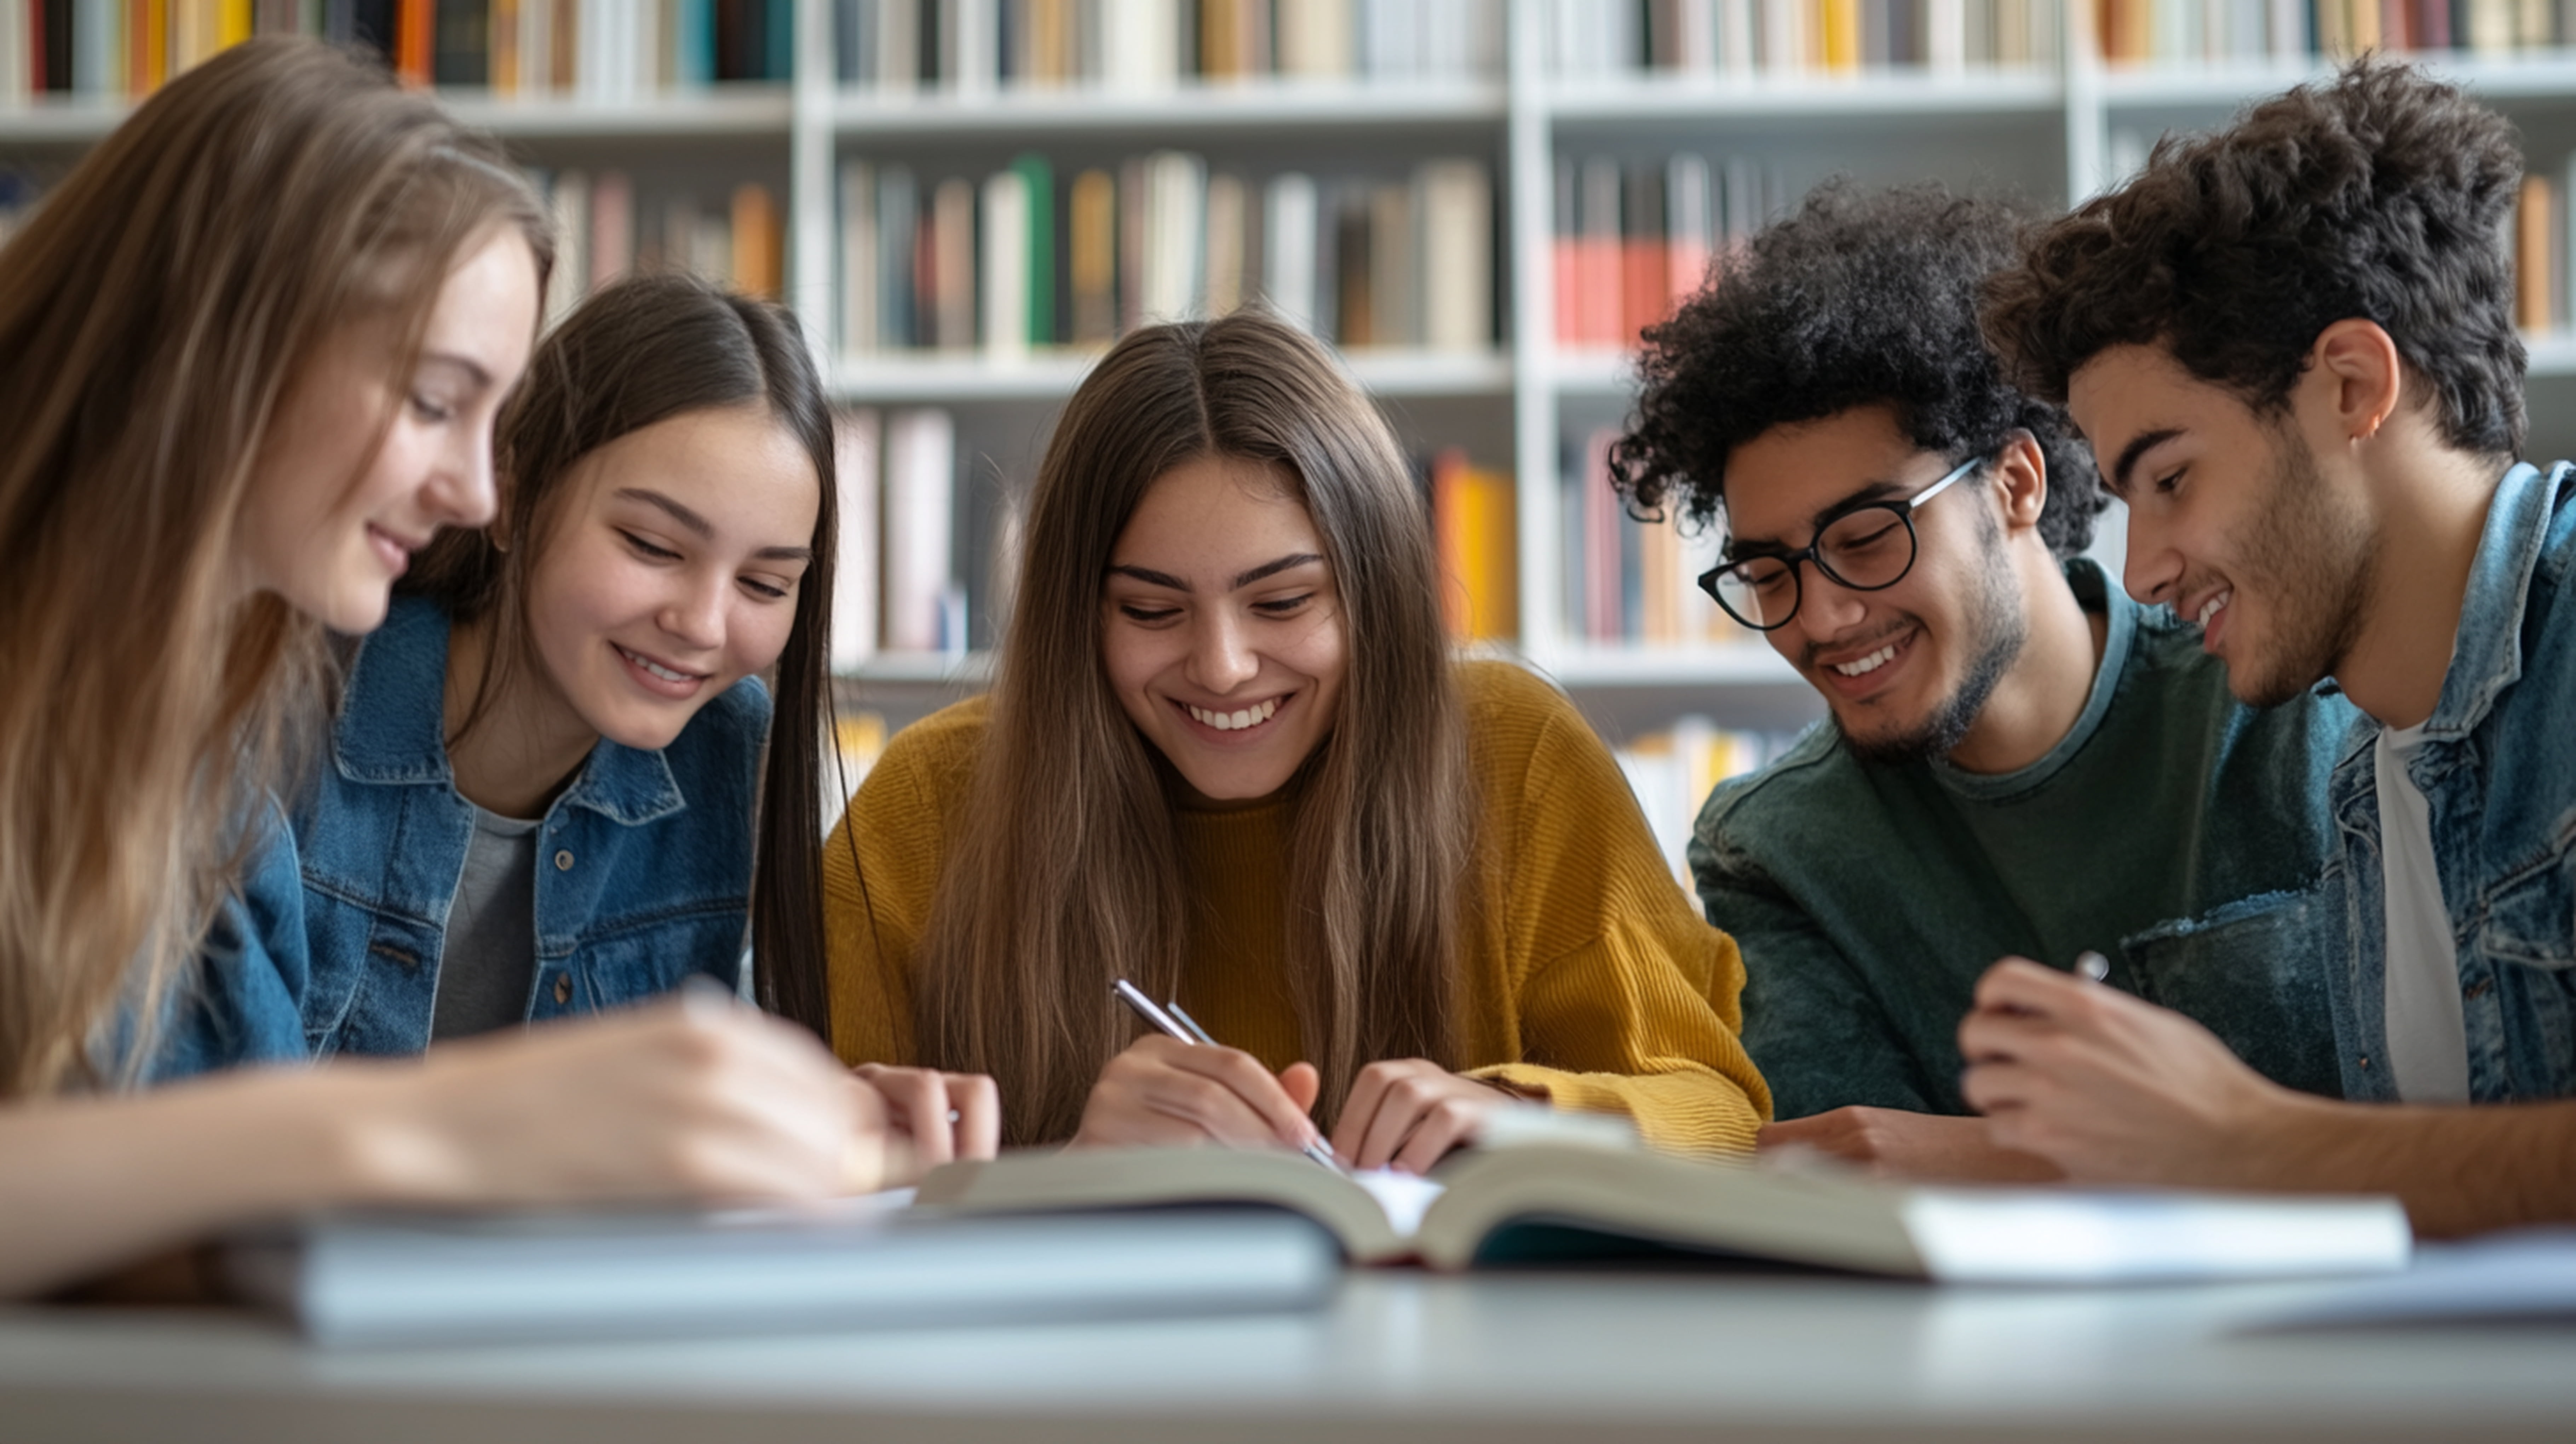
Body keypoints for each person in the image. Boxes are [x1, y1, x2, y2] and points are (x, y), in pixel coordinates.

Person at [0, 39, 979, 1302]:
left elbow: (179, 1229)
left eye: (765, 580)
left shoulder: (181, 725)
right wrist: (470, 1128)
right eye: (433, 400)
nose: (470, 485)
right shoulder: (254, 714)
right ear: (226, 350)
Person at [824, 309, 1771, 1171]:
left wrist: (1520, 1113)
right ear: (1078, 616)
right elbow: (802, 1171)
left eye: (1282, 602)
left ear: (1376, 592)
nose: (1224, 666)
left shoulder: (1513, 754)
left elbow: (1723, 1114)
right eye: (1151, 610)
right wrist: (1064, 1170)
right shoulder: (929, 805)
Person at [1609, 182, 2360, 1182]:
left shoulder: (2286, 697)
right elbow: (1853, 1186)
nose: (1822, 618)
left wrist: (1988, 1157)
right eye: (1768, 572)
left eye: (1868, 538)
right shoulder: (1776, 852)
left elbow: (2427, 1112)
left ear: (2016, 482)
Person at [1967, 61, 2576, 1236]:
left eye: (2173, 477)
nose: (2141, 570)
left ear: (2352, 386)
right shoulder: (2369, 782)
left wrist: (2250, 1141)